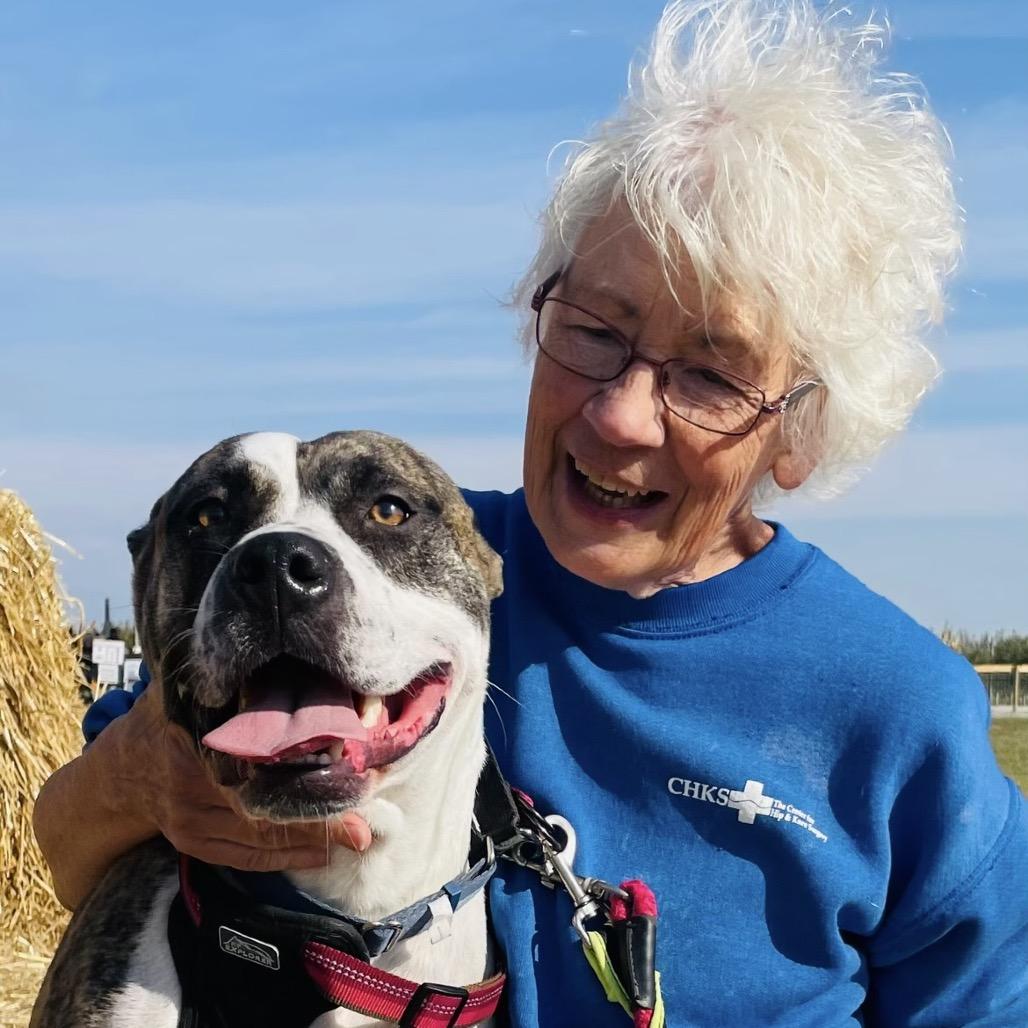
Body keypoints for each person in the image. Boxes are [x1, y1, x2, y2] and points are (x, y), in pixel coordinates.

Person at [33, 1, 1028, 1025]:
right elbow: (70, 846)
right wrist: (151, 778)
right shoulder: (401, 558)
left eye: (708, 375)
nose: (618, 411)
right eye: (594, 330)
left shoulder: (896, 705)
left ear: (799, 431)